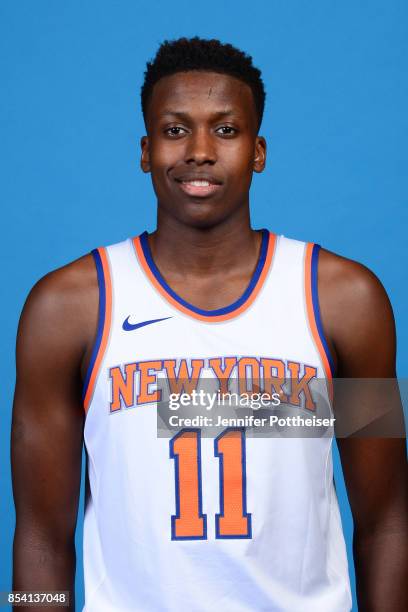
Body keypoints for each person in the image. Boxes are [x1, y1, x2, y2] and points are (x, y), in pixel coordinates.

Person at [11, 37, 407, 612]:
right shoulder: (67, 308)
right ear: (145, 150)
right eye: (175, 130)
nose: (199, 150)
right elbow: (41, 537)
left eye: (225, 130)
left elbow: (389, 521)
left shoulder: (346, 300)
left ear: (258, 150)